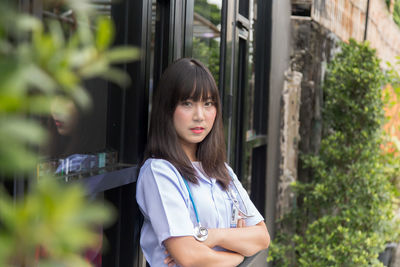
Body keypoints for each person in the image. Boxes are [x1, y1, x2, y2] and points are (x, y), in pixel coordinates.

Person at [136, 58, 270, 267]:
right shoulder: (160, 172)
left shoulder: (222, 171)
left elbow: (261, 237)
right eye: (187, 103)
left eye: (208, 104)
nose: (200, 116)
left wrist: (214, 236)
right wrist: (237, 255)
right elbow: (189, 257)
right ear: (167, 109)